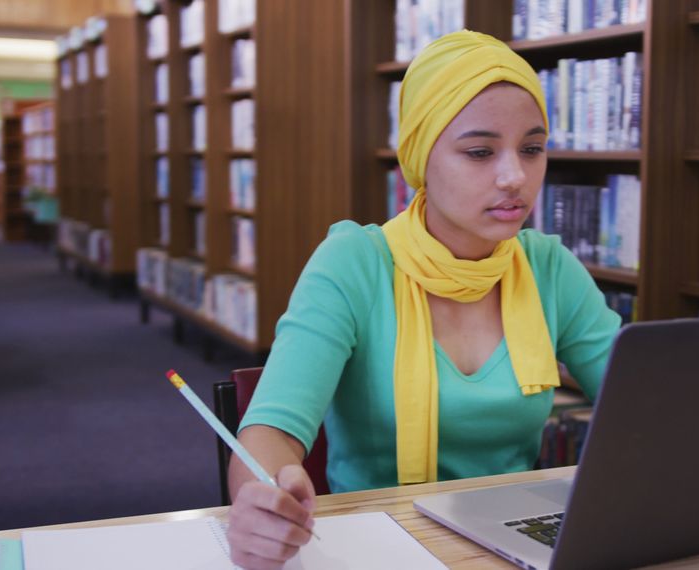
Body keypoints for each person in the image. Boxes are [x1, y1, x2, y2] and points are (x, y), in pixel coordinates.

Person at [225, 30, 622, 569]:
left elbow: (644, 405)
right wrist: (264, 497)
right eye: (480, 151)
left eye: (532, 149)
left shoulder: (548, 267)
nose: (515, 177)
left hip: (516, 550)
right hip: (380, 546)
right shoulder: (354, 263)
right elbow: (269, 432)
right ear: (419, 157)